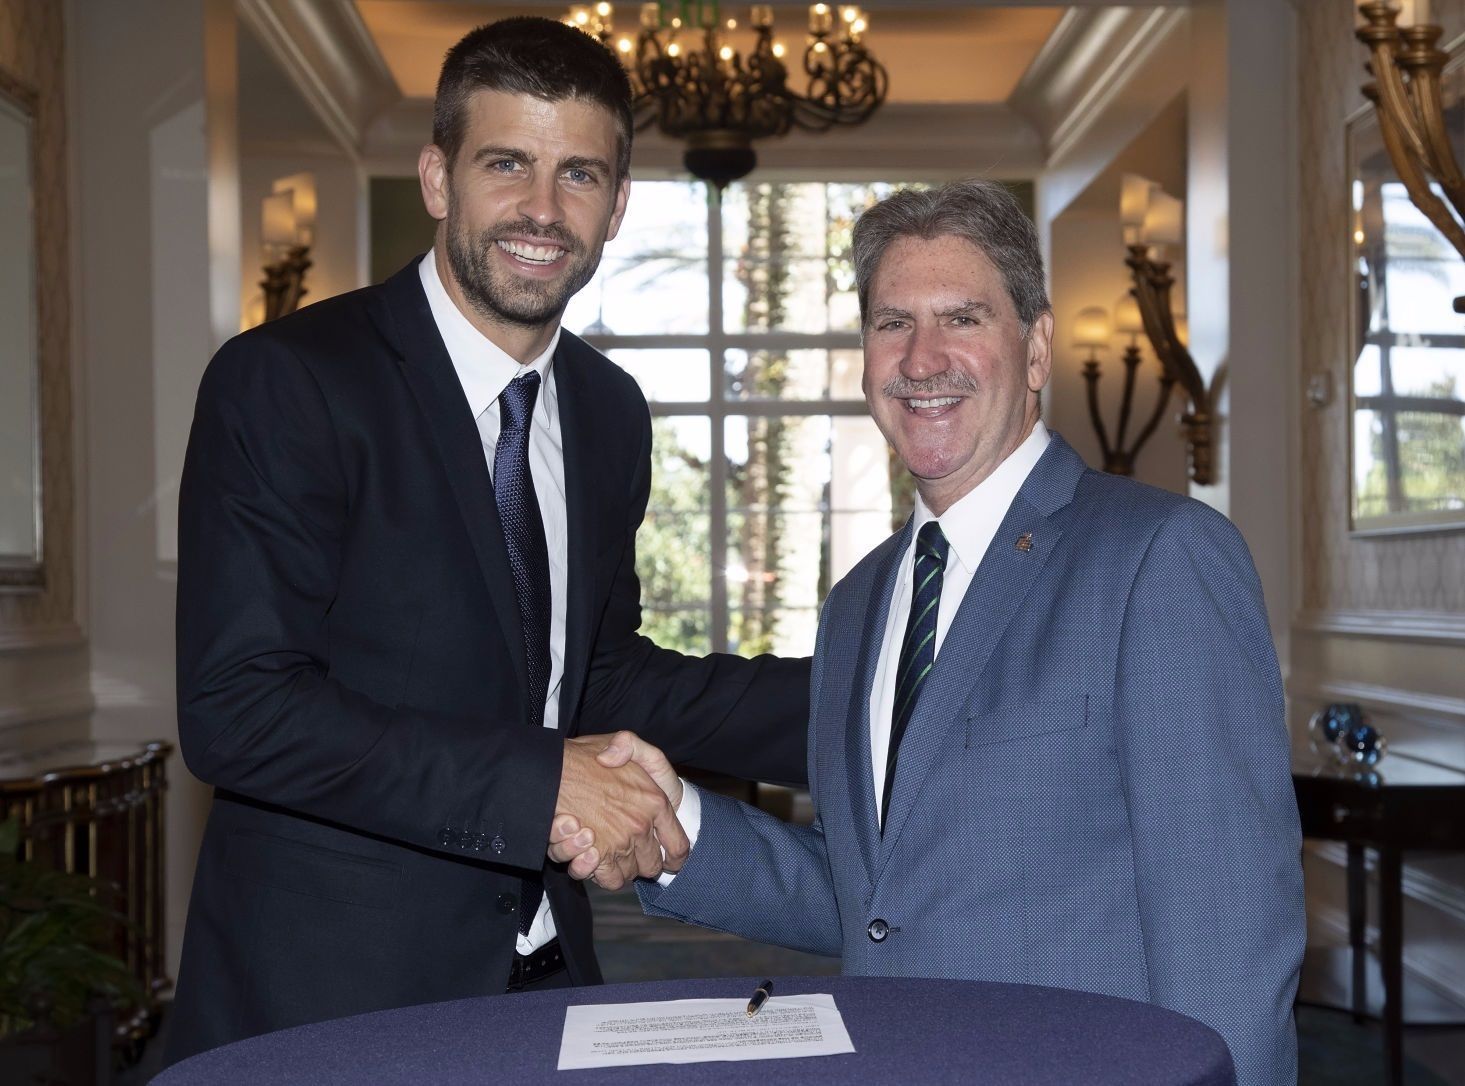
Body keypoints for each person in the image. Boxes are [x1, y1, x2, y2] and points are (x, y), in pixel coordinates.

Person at [166, 17, 807, 1063]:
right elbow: (240, 709)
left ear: (618, 206)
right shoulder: (289, 379)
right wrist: (544, 783)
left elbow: (597, 682)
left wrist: (886, 697)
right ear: (436, 177)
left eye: (581, 175)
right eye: (506, 164)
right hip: (333, 1001)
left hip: (552, 980)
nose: (543, 212)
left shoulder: (608, 412)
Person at [569, 180, 1306, 1085]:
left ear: (1034, 348)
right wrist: (673, 818)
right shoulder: (860, 604)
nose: (922, 359)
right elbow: (879, 899)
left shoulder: (1158, 557)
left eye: (962, 317)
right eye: (891, 323)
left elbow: (1228, 927)